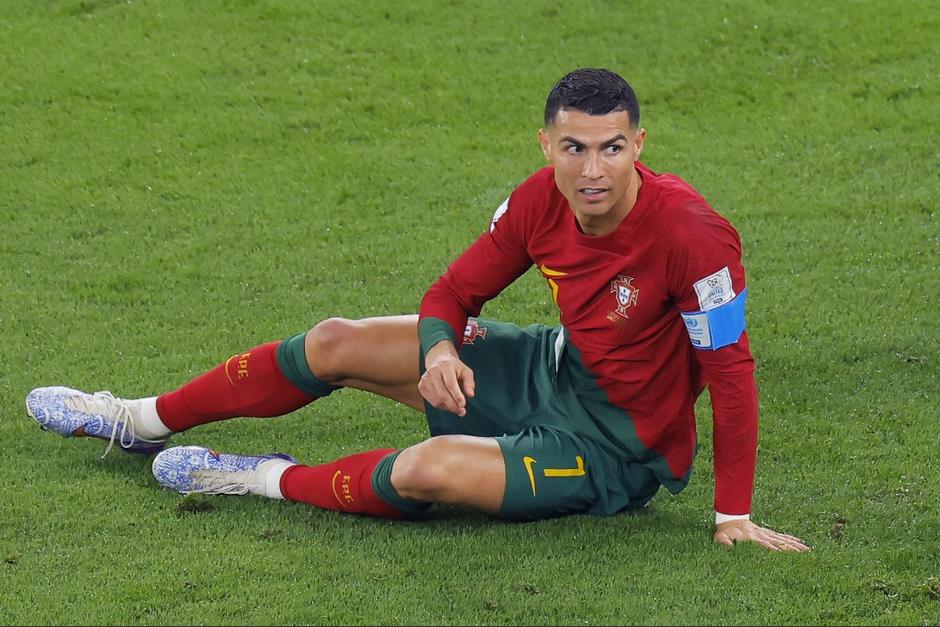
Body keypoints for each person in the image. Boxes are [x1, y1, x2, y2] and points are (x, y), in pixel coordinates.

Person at [26, 67, 809, 551]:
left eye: (611, 147)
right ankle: (139, 420)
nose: (593, 169)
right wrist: (440, 351)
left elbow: (731, 373)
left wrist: (731, 514)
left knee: (426, 468)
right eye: (575, 148)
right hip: (551, 368)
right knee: (335, 341)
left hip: (615, 448)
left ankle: (258, 477)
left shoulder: (694, 237)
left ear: (639, 145)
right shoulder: (540, 201)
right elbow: (452, 295)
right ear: (546, 146)